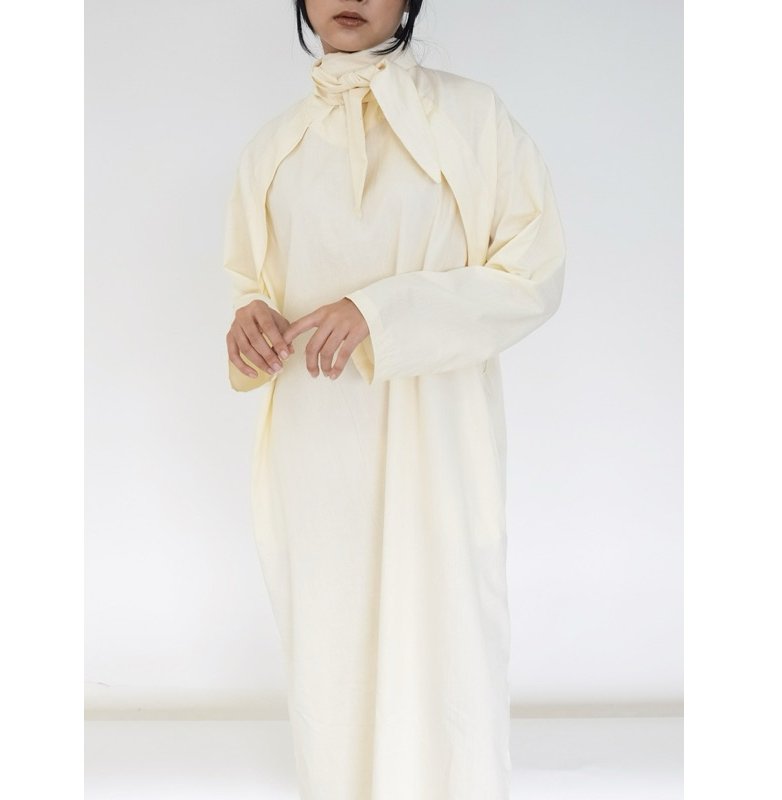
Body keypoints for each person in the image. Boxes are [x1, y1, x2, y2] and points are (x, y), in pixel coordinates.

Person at [222, 1, 565, 798]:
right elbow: (248, 281)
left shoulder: (473, 119)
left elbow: (533, 273)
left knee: (443, 622)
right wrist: (247, 321)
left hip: (435, 430)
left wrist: (382, 313)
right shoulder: (273, 147)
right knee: (331, 632)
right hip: (318, 434)